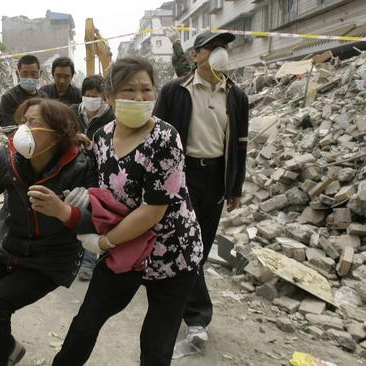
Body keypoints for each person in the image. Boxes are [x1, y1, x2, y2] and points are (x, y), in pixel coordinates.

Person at [52, 57, 203, 366]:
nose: (138, 98)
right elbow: (96, 182)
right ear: (110, 97)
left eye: (146, 89)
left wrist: (105, 243)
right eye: (128, 90)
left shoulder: (165, 137)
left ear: (156, 93)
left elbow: (152, 211)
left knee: (155, 344)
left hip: (172, 252)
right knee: (86, 321)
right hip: (126, 252)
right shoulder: (103, 137)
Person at [0, 98, 96, 366]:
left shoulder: (81, 166)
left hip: (52, 259)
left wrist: (65, 212)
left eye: (32, 123)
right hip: (12, 249)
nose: (22, 129)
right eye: (22, 121)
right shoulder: (9, 158)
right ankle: (7, 348)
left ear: (57, 133)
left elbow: (98, 222)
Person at [153, 31, 249, 358]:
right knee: (185, 244)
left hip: (216, 178)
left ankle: (179, 293)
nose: (220, 53)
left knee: (201, 248)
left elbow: (240, 145)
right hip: (183, 173)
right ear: (195, 56)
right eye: (212, 48)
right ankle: (197, 317)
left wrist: (234, 186)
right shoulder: (173, 91)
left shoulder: (237, 96)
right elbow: (157, 139)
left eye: (223, 48)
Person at [0, 55, 48, 250]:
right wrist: (32, 136)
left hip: (41, 158)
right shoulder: (9, 97)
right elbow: (9, 129)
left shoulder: (44, 98)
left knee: (37, 204)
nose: (29, 77)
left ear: (40, 74)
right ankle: (0, 250)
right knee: (11, 205)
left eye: (33, 74)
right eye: (24, 73)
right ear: (17, 74)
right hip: (16, 157)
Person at [69, 74, 115, 281]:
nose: (91, 100)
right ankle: (70, 258)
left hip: (96, 171)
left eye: (96, 96)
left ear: (104, 97)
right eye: (87, 96)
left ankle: (88, 262)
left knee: (91, 212)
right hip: (71, 169)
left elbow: (113, 147)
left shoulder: (111, 117)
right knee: (70, 210)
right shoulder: (72, 112)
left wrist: (91, 147)